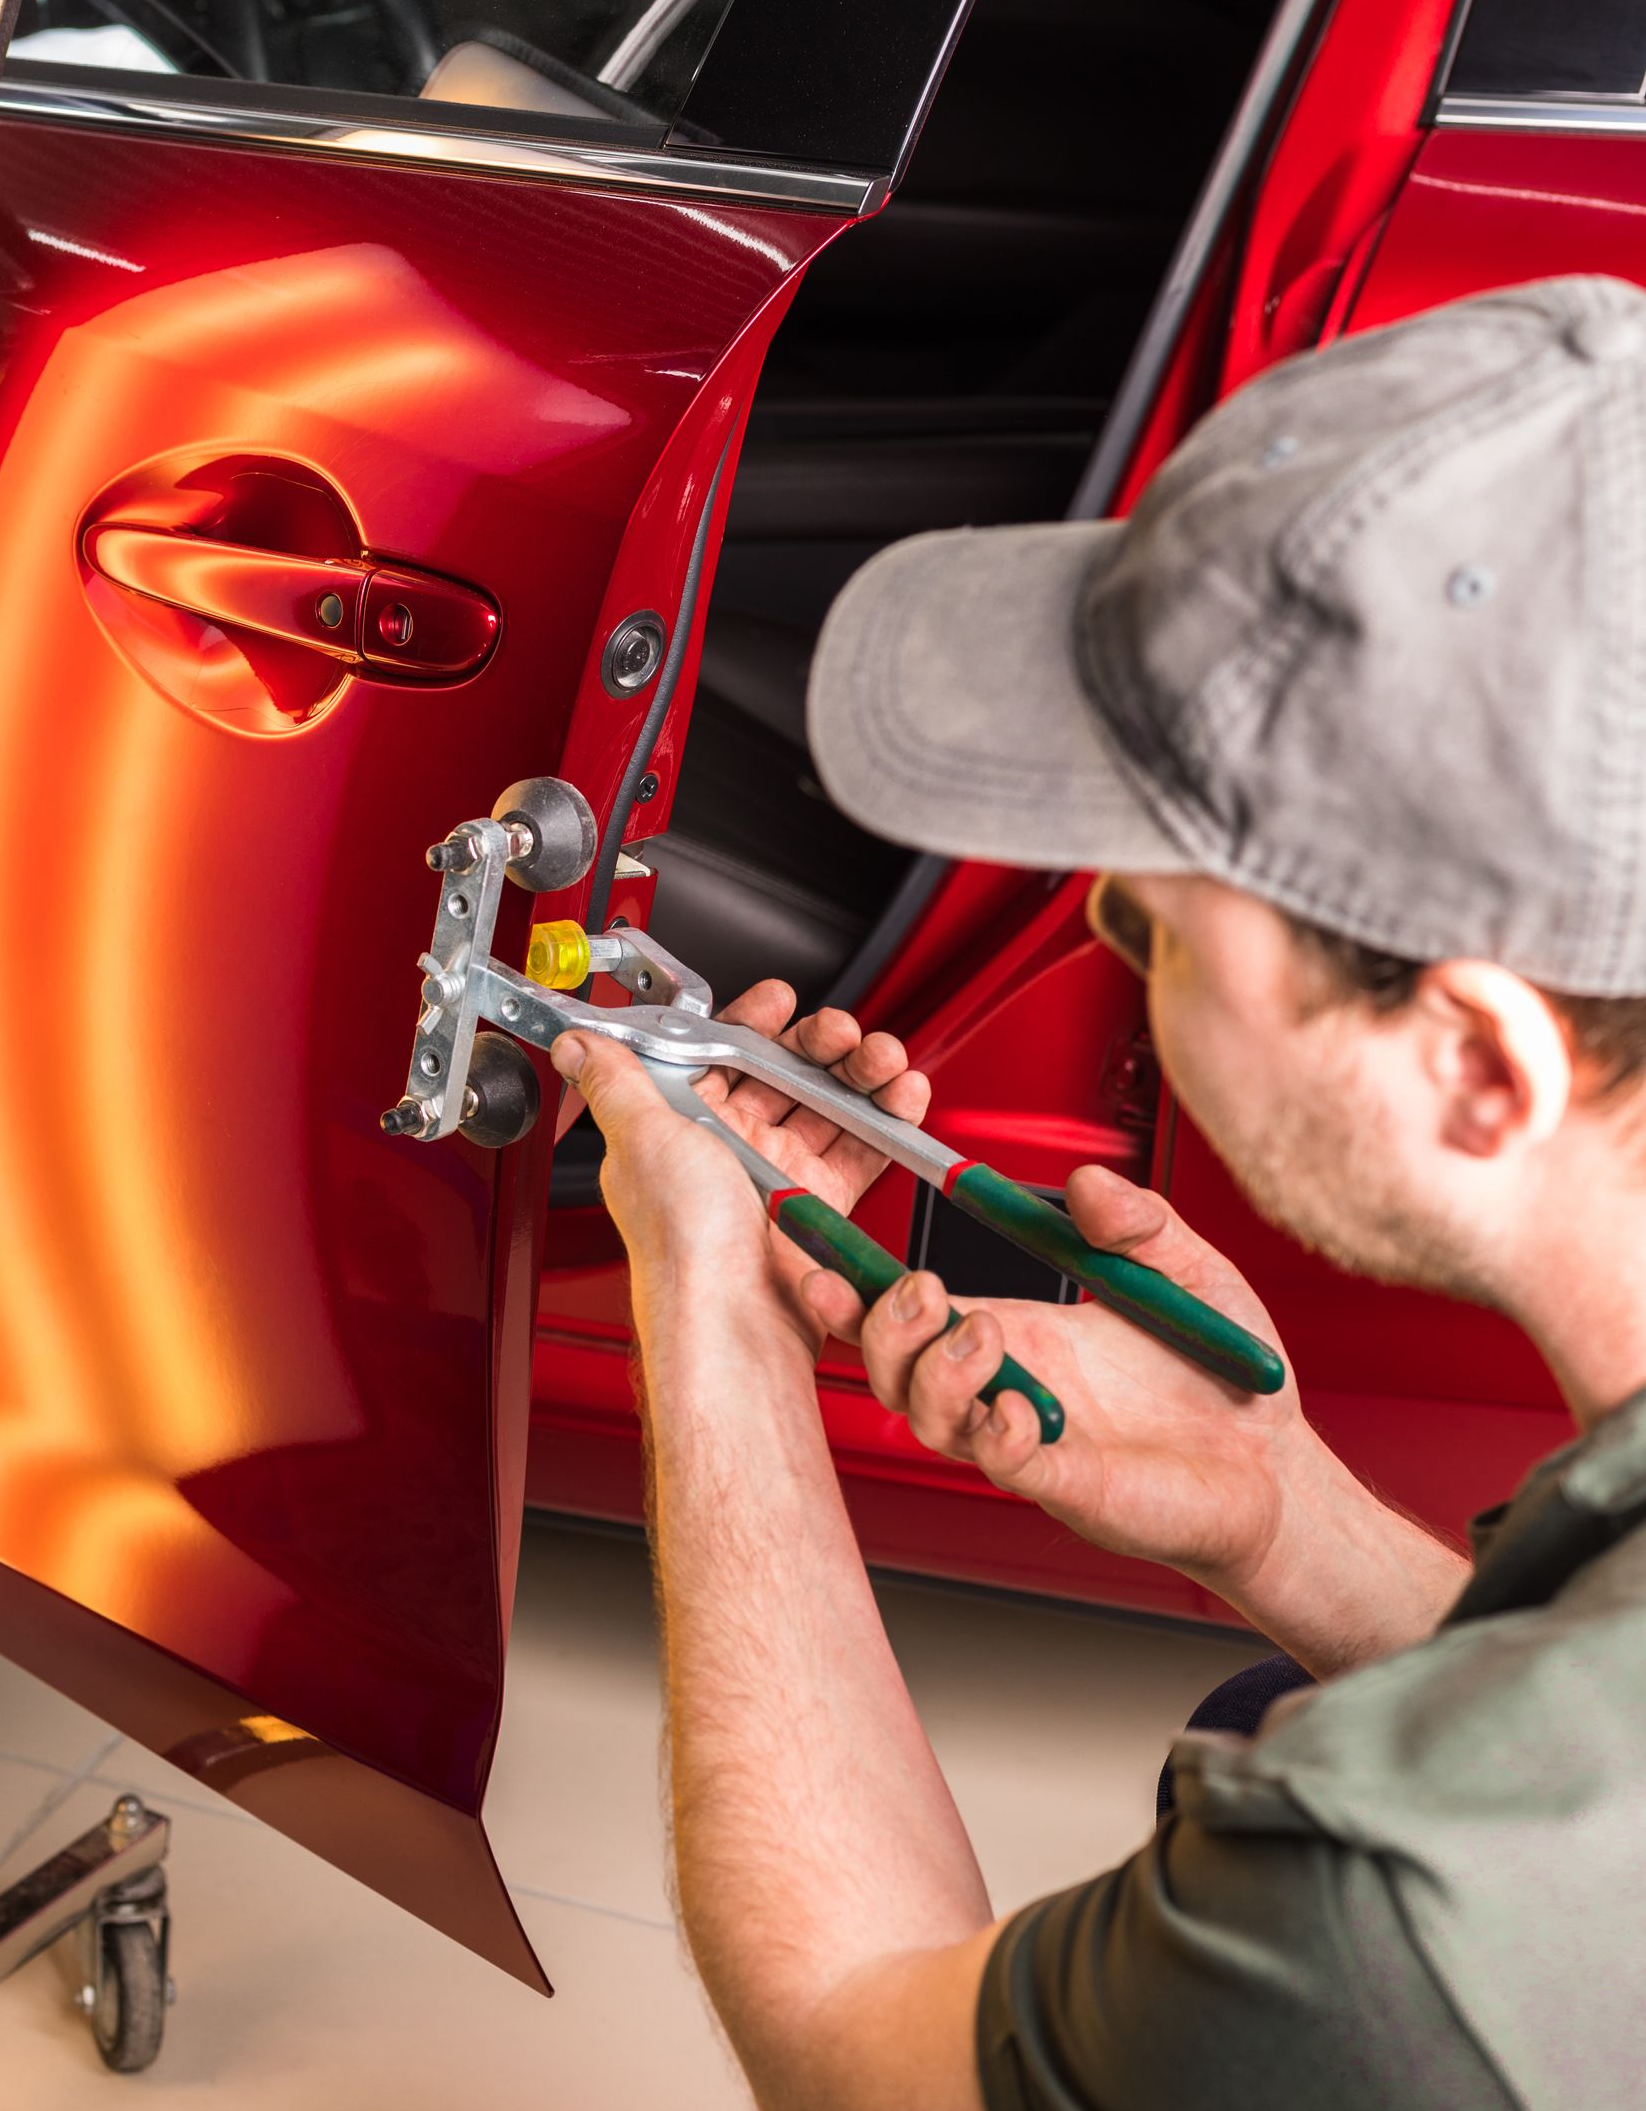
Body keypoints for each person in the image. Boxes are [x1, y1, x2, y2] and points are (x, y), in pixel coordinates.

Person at [547, 275, 1646, 2110]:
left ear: (1476, 1062)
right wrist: (1284, 1511)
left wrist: (709, 1296)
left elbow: (851, 2039)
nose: (1118, 947)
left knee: (1256, 1789)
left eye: (1148, 913)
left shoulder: (1384, 1911)